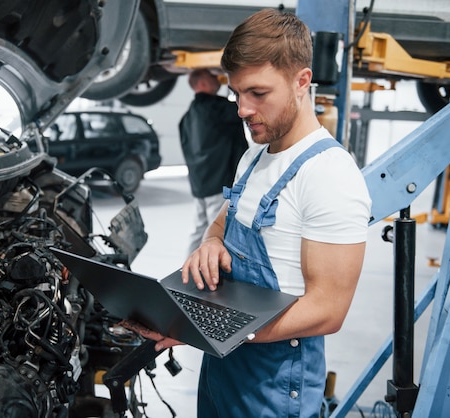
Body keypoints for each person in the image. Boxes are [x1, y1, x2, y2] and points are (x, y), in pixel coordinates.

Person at [122, 8, 372, 417]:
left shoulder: (329, 175)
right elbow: (229, 211)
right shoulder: (256, 155)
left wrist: (205, 327)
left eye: (257, 93)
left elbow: (328, 309)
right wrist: (211, 239)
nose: (242, 108)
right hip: (224, 370)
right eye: (236, 93)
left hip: (275, 387)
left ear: (301, 82)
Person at [179, 68, 248, 255]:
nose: (218, 79)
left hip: (199, 184)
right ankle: (213, 275)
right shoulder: (216, 108)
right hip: (218, 183)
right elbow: (244, 109)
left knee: (199, 229)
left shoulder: (187, 117)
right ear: (202, 83)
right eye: (212, 77)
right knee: (218, 233)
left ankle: (185, 271)